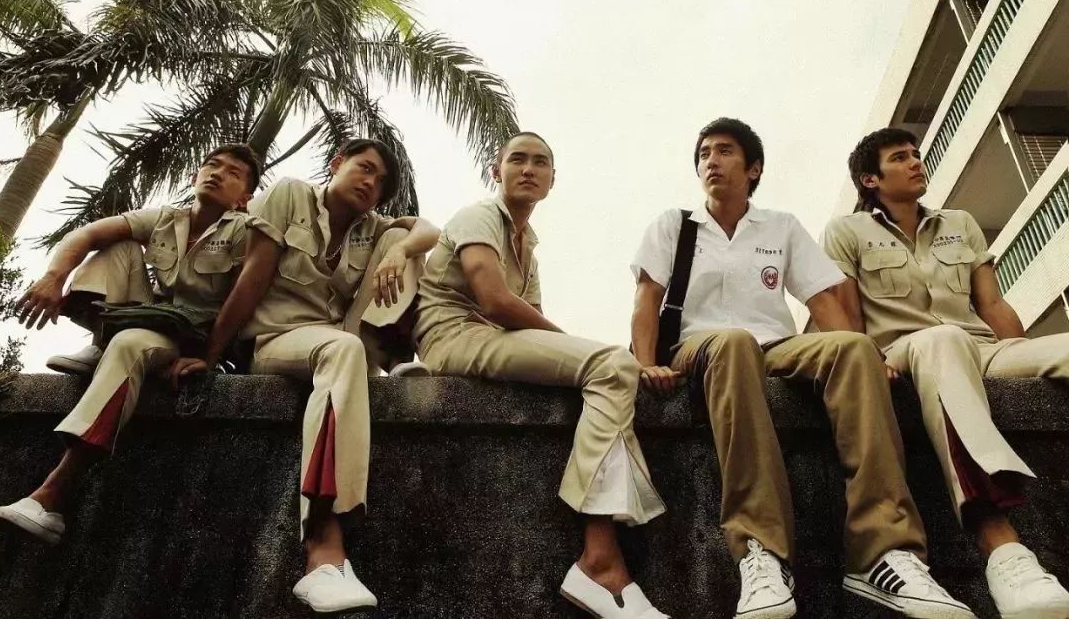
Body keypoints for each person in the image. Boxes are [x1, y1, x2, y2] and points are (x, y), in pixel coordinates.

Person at [631, 118, 974, 619]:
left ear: (753, 169)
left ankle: (884, 552)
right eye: (704, 153)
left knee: (854, 349)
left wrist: (866, 353)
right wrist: (646, 366)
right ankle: (762, 552)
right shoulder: (674, 225)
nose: (711, 161)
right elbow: (647, 299)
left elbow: (823, 298)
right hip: (701, 346)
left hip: (775, 346)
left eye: (724, 151)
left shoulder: (781, 227)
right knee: (734, 343)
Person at [167, 138, 439, 614]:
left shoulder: (370, 228)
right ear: (337, 164)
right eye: (364, 168)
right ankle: (322, 549)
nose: (370, 183)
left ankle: (393, 354)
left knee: (403, 246)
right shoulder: (291, 194)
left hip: (339, 340)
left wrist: (399, 251)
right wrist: (211, 356)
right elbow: (253, 276)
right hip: (275, 340)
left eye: (380, 182)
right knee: (342, 349)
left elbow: (427, 229)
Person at [413, 132, 669, 619]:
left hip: (491, 340)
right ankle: (599, 560)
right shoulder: (478, 216)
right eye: (517, 159)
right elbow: (494, 301)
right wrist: (579, 347)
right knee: (613, 363)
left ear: (553, 180)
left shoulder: (528, 247)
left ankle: (603, 560)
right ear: (497, 171)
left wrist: (576, 352)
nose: (528, 169)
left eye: (540, 162)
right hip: (454, 337)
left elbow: (528, 323)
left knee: (609, 367)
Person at [822, 126, 1069, 619]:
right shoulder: (846, 232)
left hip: (980, 348)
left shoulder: (961, 223)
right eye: (900, 157)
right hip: (903, 350)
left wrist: (1021, 353)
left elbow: (991, 304)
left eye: (916, 153)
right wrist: (866, 363)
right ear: (870, 179)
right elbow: (845, 316)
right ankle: (1003, 549)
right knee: (943, 339)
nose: (916, 161)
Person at [0, 144, 261, 544]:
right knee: (117, 244)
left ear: (244, 197)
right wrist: (54, 277)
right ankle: (101, 341)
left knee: (130, 344)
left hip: (191, 338)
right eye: (211, 165)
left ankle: (50, 498)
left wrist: (210, 357)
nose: (217, 174)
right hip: (150, 318)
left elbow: (247, 299)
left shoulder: (246, 231)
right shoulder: (167, 218)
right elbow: (86, 233)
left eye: (233, 173)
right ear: (195, 176)